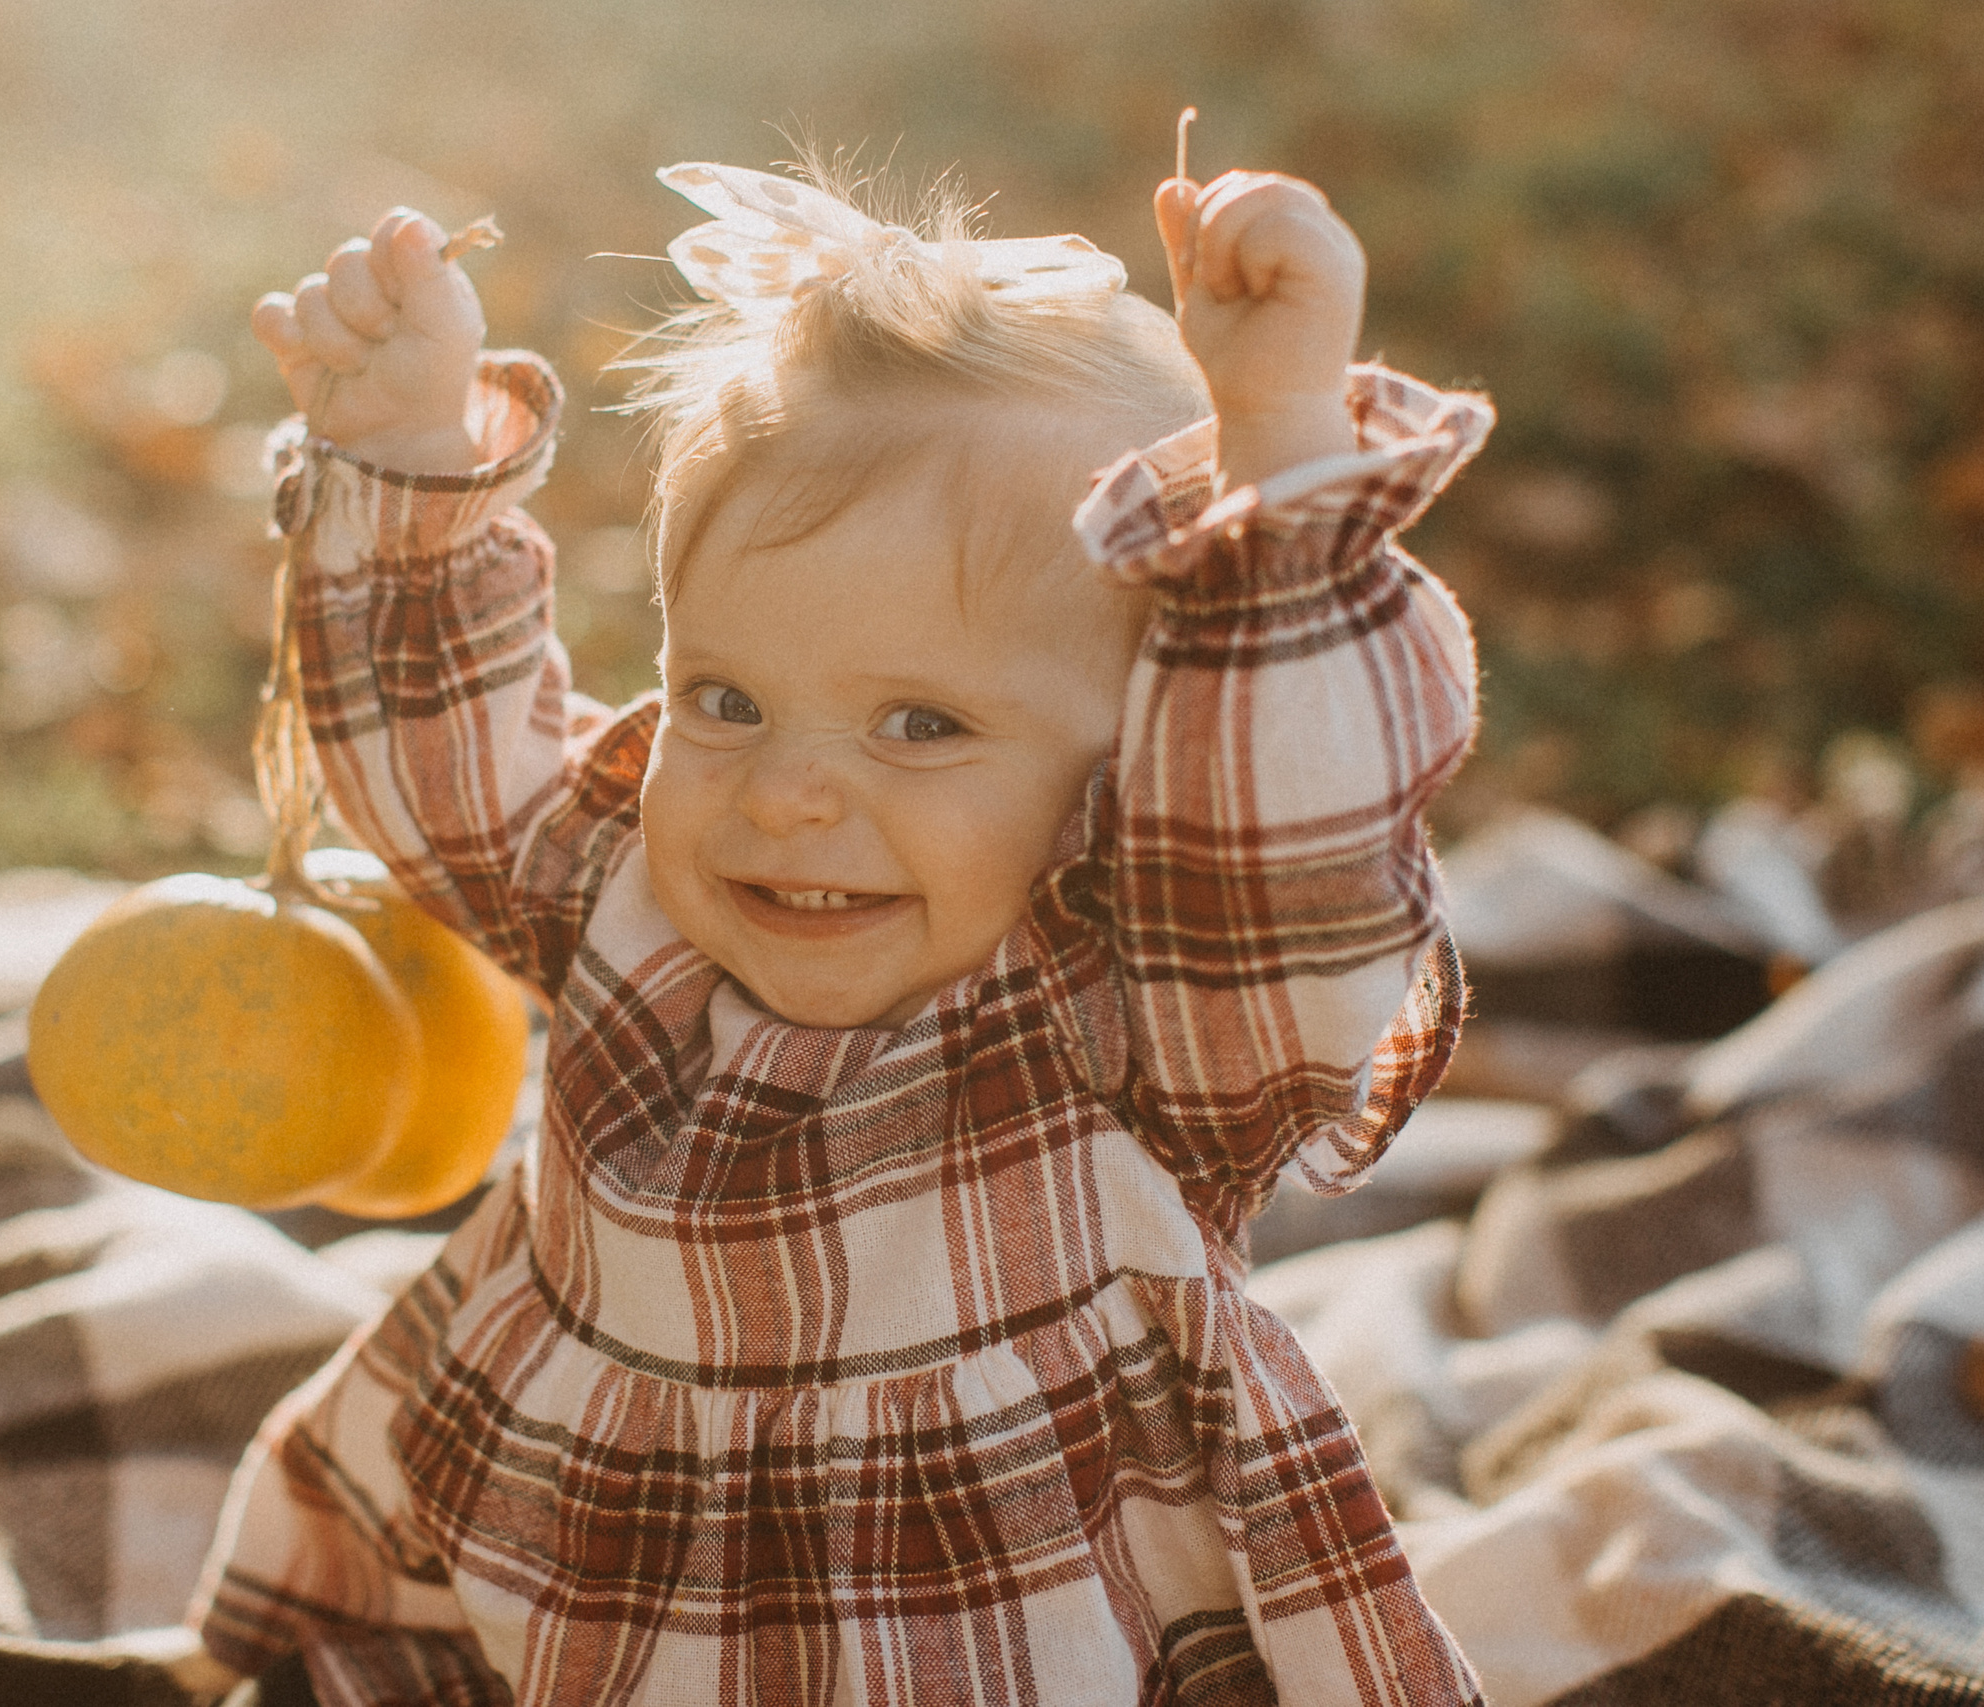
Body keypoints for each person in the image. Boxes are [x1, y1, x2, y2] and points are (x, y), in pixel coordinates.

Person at [189, 147, 1492, 1705]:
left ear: (1136, 770)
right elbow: (443, 766)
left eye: (921, 726)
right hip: (571, 1593)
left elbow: (1293, 857)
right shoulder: (635, 903)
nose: (790, 792)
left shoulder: (1140, 1012)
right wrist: (399, 448)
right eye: (725, 700)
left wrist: (1282, 463)